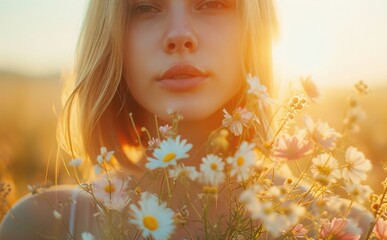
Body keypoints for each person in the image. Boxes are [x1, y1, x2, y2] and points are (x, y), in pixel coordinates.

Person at [0, 0, 280, 239]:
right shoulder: (45, 224)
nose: (180, 35)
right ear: (109, 36)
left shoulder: (314, 217)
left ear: (255, 26)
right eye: (145, 7)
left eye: (212, 3)